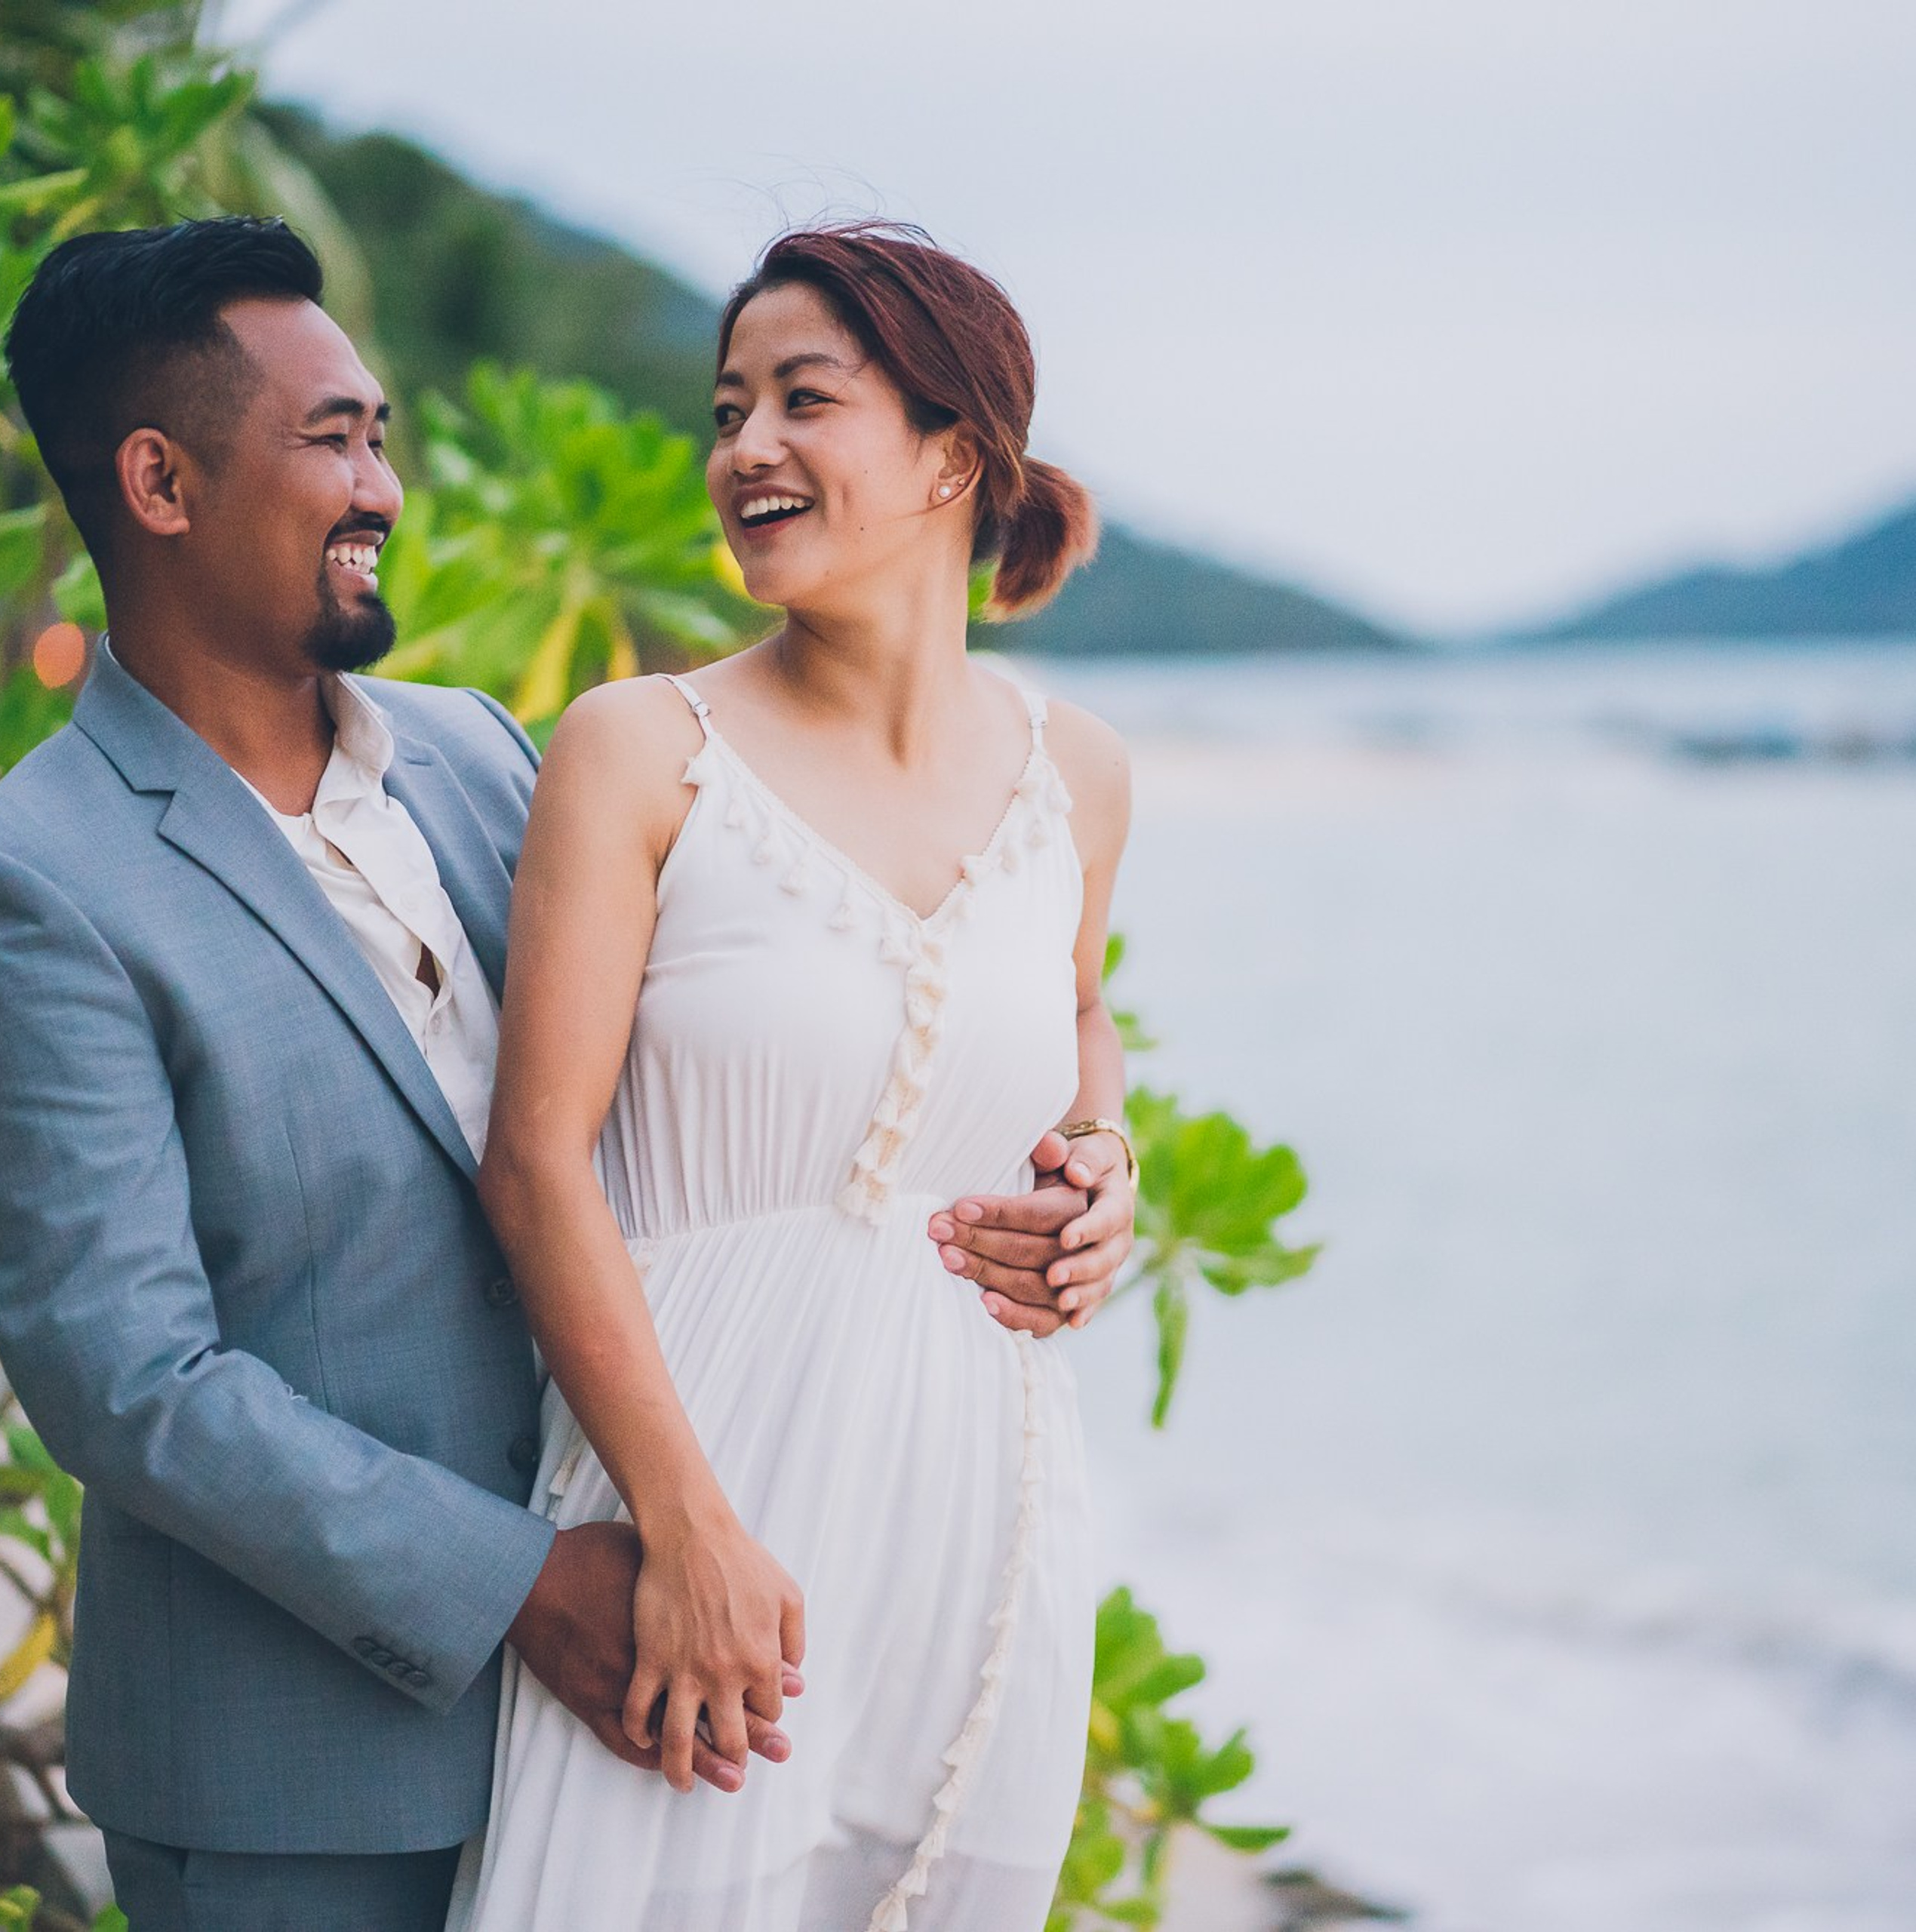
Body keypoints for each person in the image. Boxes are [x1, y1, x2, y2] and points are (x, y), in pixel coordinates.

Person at [0, 217, 1133, 1931]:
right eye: (333, 440)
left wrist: (1084, 1158)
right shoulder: (47, 869)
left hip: (696, 1667)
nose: (382, 482)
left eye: (380, 432)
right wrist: (533, 1580)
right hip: (307, 1770)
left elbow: (791, 1002)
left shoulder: (482, 756)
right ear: (159, 481)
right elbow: (131, 1379)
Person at [447, 224, 1133, 1931]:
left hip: (986, 1518)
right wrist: (683, 1533)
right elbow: (534, 1158)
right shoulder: (640, 748)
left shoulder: (1080, 776)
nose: (742, 446)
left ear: (952, 454)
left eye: (801, 399)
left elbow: (1075, 1016)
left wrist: (1104, 1157)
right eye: (727, 405)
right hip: (697, 1508)